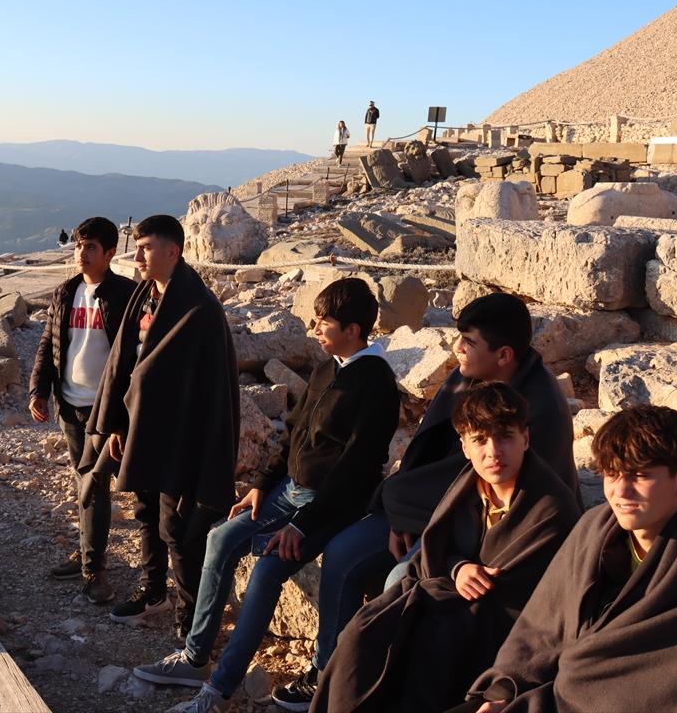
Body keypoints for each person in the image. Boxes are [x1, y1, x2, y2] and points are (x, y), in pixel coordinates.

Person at [294, 292, 576, 707]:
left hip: (470, 538)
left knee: (397, 582)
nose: (457, 348)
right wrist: (401, 513)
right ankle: (325, 669)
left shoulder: (539, 411)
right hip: (427, 509)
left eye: (469, 342)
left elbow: (506, 508)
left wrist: (448, 556)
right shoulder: (465, 377)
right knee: (342, 554)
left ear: (503, 355)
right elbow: (429, 456)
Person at [132, 278, 400, 713]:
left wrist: (302, 525)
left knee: (267, 570)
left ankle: (218, 692)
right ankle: (195, 658)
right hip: (287, 492)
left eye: (324, 322)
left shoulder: (377, 383)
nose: (314, 328)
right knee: (220, 538)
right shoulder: (326, 369)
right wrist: (261, 484)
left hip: (332, 507)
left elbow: (356, 469)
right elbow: (292, 435)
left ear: (353, 330)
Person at [455, 406, 677, 713]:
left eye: (640, 476)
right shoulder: (594, 529)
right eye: (612, 474)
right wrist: (503, 690)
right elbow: (540, 628)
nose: (620, 491)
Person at [87, 214, 239, 641]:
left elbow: (211, 388)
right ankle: (153, 592)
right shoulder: (145, 295)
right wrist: (118, 425)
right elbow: (125, 365)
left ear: (173, 251)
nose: (137, 257)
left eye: (146, 248)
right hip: (140, 427)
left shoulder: (200, 309)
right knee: (145, 512)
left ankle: (191, 615)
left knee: (177, 528)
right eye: (136, 247)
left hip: (179, 436)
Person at [29, 216, 137, 605]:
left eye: (90, 246)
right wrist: (38, 390)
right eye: (78, 245)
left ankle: (95, 569)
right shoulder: (67, 291)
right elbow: (49, 342)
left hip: (104, 410)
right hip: (70, 405)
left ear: (110, 253)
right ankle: (88, 553)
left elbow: (135, 354)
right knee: (84, 483)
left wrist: (125, 412)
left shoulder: (125, 294)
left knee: (93, 485)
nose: (82, 253)